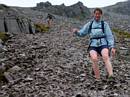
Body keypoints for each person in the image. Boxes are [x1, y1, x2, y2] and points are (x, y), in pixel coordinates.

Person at [73, 8, 116, 80]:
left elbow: (109, 36)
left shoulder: (104, 24)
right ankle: (98, 78)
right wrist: (76, 32)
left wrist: (111, 47)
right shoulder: (90, 24)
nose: (97, 15)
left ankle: (111, 76)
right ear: (94, 14)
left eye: (99, 14)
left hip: (103, 43)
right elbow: (82, 33)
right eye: (96, 13)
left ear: (101, 15)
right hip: (93, 44)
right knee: (94, 58)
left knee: (105, 56)